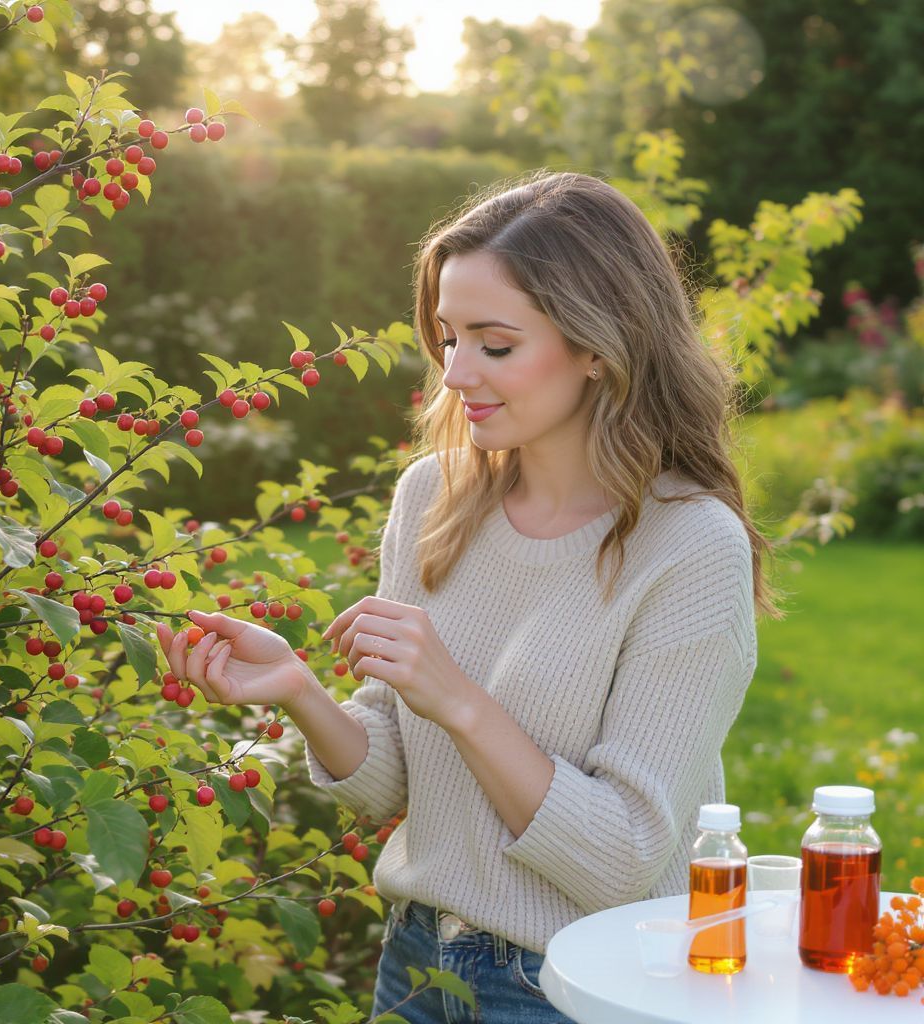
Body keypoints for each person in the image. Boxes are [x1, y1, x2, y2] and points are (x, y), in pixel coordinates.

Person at [156, 169, 784, 1022]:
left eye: (494, 344)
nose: (455, 373)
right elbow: (389, 787)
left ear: (598, 346)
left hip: (576, 985)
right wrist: (300, 691)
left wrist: (454, 695)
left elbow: (623, 857)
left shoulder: (686, 546)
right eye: (447, 337)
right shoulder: (436, 497)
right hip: (418, 965)